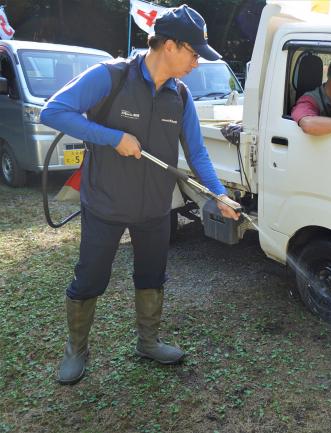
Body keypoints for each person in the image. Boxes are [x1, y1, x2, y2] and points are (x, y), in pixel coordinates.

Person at [40, 4, 240, 385]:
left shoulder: (180, 96)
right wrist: (113, 138)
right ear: (170, 46)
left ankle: (148, 342)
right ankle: (76, 350)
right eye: (194, 53)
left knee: (151, 275)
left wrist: (217, 194)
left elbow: (197, 152)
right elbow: (54, 111)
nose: (197, 63)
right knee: (90, 279)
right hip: (105, 204)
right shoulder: (110, 77)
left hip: (153, 208)